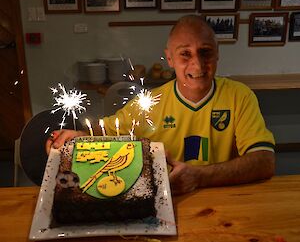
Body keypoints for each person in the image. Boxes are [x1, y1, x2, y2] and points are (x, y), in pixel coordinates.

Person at [46, 15, 275, 195]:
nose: (197, 65)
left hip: (225, 204)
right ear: (170, 58)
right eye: (185, 54)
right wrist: (78, 135)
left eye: (205, 52)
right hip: (166, 202)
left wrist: (199, 176)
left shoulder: (240, 96)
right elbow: (104, 130)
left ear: (217, 54)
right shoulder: (151, 102)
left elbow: (265, 161)